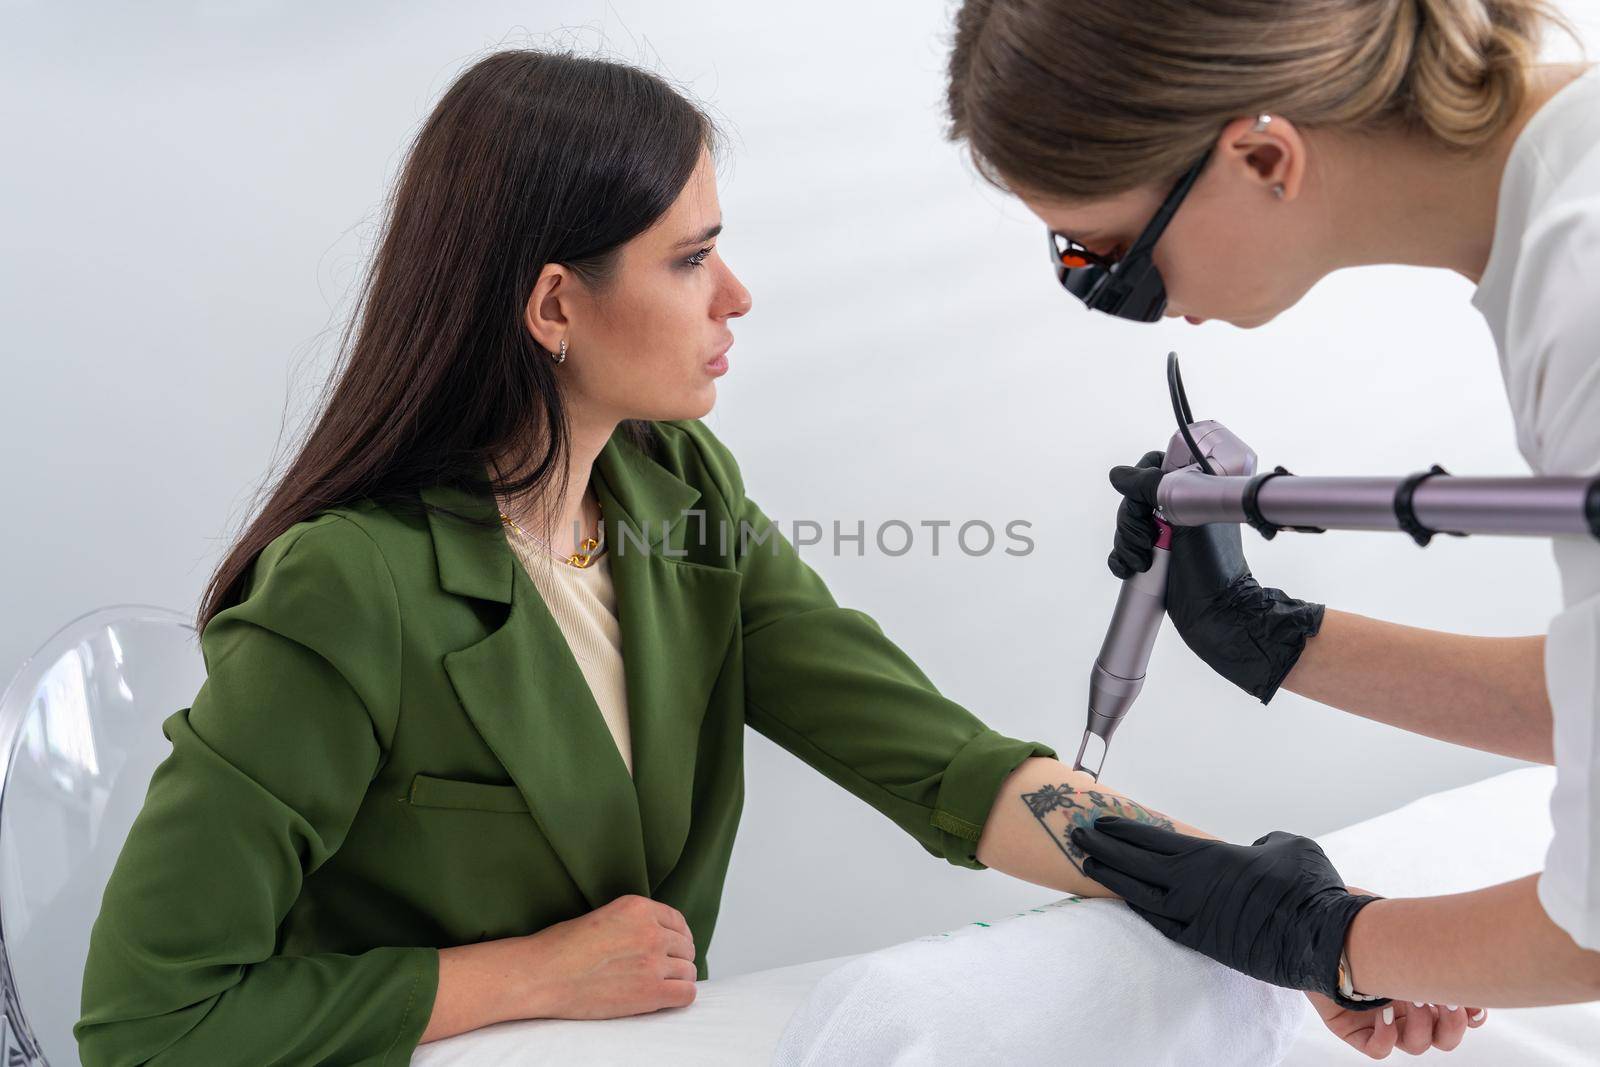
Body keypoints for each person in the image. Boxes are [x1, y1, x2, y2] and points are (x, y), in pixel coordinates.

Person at [76, 47, 1393, 1066]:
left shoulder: (674, 495)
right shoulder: (347, 587)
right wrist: (525, 971)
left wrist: (1277, 910)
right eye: (693, 256)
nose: (739, 296)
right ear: (553, 305)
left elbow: (937, 760)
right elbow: (147, 1019)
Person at [944, 0, 1600, 1029]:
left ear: (1261, 158)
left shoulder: (1584, 283)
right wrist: (1264, 634)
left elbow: (1592, 923)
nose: (1124, 302)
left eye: (1111, 259)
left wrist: (1325, 937)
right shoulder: (1562, 208)